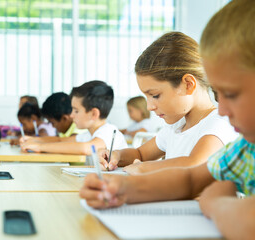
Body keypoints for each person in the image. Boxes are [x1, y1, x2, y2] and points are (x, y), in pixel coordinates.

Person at [80, 1, 255, 239]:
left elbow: (245, 221)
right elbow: (193, 179)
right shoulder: (245, 150)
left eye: (232, 94)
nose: (222, 109)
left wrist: (215, 204)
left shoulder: (219, 125)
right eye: (218, 93)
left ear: (188, 84)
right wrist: (124, 189)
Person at [99, 32, 238, 175]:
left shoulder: (220, 123)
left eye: (155, 95)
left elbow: (195, 164)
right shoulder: (176, 126)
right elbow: (140, 154)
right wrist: (117, 155)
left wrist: (144, 168)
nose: (149, 107)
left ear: (188, 85)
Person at [20, 80, 128, 155]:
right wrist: (34, 140)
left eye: (76, 110)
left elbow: (85, 149)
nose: (71, 115)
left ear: (94, 114)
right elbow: (60, 140)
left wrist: (40, 147)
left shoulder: (109, 131)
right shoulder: (88, 135)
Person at [19, 92, 87, 145]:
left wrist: (38, 144)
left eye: (52, 122)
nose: (52, 126)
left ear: (64, 118)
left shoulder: (78, 127)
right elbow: (58, 140)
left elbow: (65, 143)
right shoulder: (64, 131)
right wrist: (33, 140)